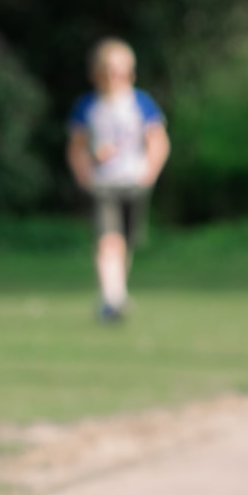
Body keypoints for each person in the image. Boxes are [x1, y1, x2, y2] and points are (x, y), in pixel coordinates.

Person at [65, 39, 169, 324]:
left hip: (134, 181)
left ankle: (115, 294)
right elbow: (77, 147)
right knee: (108, 241)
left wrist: (149, 172)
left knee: (125, 244)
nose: (116, 77)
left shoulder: (141, 103)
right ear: (96, 74)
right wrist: (86, 171)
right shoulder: (88, 106)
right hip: (102, 183)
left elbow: (158, 141)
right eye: (109, 71)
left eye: (122, 71)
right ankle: (113, 299)